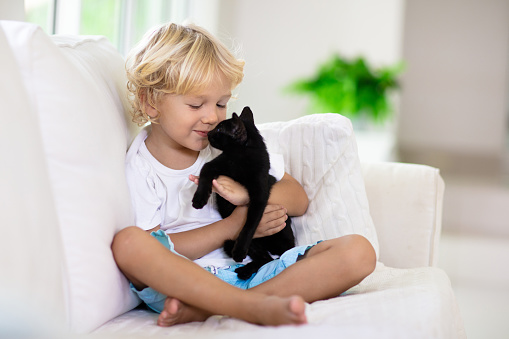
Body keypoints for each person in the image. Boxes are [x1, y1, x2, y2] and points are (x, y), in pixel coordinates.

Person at [112, 22, 376, 327]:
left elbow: (298, 198)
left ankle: (226, 306)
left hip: (255, 272)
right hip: (185, 285)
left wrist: (251, 195)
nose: (212, 117)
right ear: (150, 102)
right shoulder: (141, 166)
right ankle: (245, 305)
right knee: (129, 244)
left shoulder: (229, 143)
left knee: (359, 252)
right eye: (196, 104)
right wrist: (234, 226)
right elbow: (159, 247)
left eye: (221, 103)